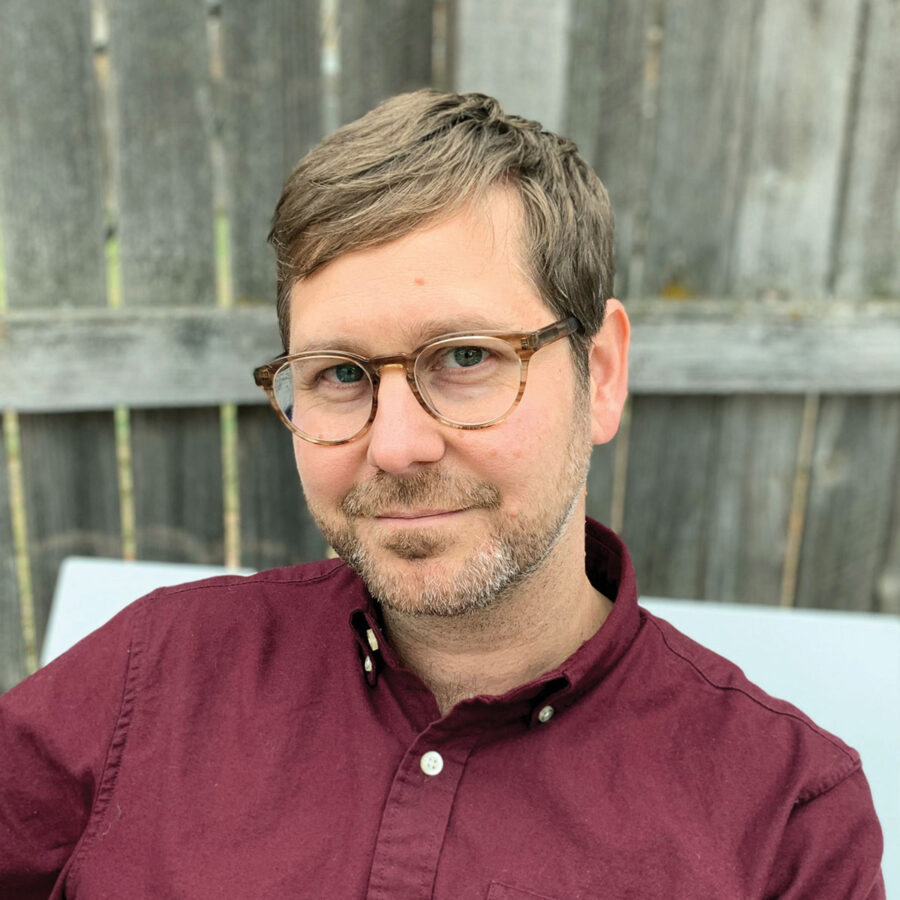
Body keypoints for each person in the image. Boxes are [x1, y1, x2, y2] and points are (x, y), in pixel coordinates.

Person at [0, 90, 884, 899]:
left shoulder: (786, 820)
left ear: (602, 374)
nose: (397, 445)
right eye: (341, 373)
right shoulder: (153, 674)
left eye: (466, 357)